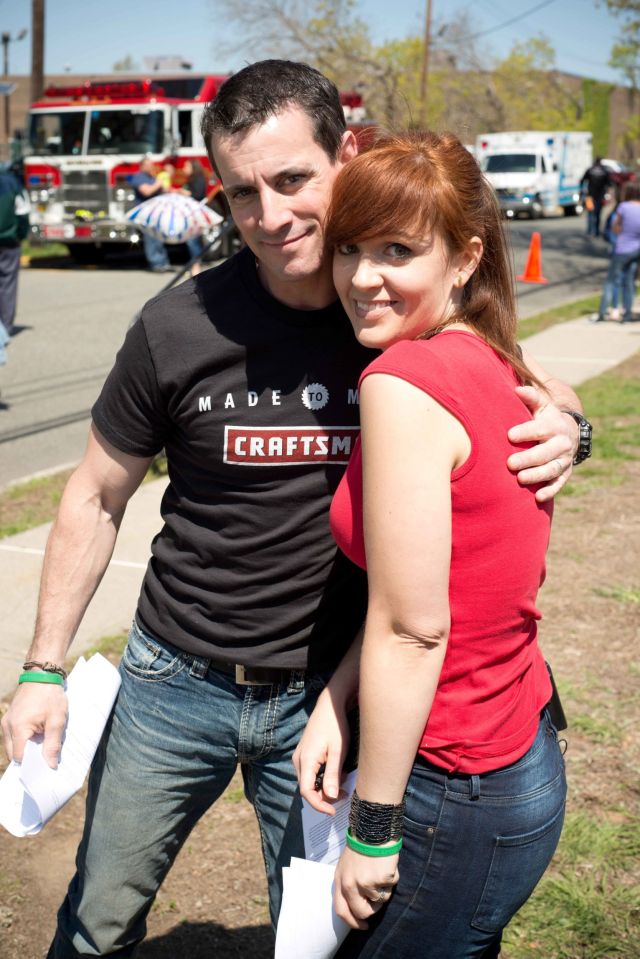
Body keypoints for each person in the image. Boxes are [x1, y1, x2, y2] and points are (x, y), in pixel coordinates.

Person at [1, 61, 584, 959]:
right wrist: (43, 665)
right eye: (241, 193)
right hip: (173, 679)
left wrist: (569, 425)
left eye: (292, 180)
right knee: (97, 915)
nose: (270, 217)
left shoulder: (398, 310)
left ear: (346, 153)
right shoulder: (177, 323)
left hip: (327, 693)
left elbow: (510, 375)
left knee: (319, 935)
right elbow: (95, 491)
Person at [294, 131, 575, 958]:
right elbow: (430, 591)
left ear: (464, 258)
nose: (362, 277)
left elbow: (415, 630)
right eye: (348, 249)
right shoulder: (493, 357)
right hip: (518, 752)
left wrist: (374, 828)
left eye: (397, 250)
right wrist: (338, 698)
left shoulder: (401, 384)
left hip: (454, 781)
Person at [594, 180, 640, 323]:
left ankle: (602, 312)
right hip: (636, 249)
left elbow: (615, 227)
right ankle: (626, 314)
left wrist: (621, 230)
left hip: (622, 249)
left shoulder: (623, 207)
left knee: (611, 281)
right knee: (629, 282)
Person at [0, 161, 30, 336]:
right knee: (8, 285)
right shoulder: (13, 183)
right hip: (9, 241)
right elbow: (22, 212)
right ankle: (5, 326)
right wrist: (21, 234)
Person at [130, 154, 172, 273]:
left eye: (152, 164)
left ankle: (164, 263)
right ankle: (156, 264)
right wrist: (159, 182)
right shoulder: (139, 177)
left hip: (157, 213)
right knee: (151, 239)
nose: (151, 167)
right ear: (142, 166)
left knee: (159, 238)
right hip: (146, 214)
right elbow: (147, 191)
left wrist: (167, 177)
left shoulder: (152, 177)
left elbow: (164, 190)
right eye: (148, 165)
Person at [180, 158, 209, 273]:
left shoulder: (198, 179)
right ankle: (195, 264)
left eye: (186, 166)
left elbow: (198, 194)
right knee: (192, 240)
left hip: (195, 214)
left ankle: (196, 265)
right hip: (190, 213)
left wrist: (184, 193)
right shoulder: (191, 179)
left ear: (193, 167)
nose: (183, 169)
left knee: (193, 240)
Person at [581, 157, 612, 238]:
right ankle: (597, 231)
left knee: (590, 214)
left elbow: (582, 180)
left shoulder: (590, 170)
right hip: (600, 197)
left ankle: (589, 231)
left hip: (589, 196)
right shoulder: (604, 171)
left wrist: (582, 191)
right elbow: (609, 183)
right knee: (598, 214)